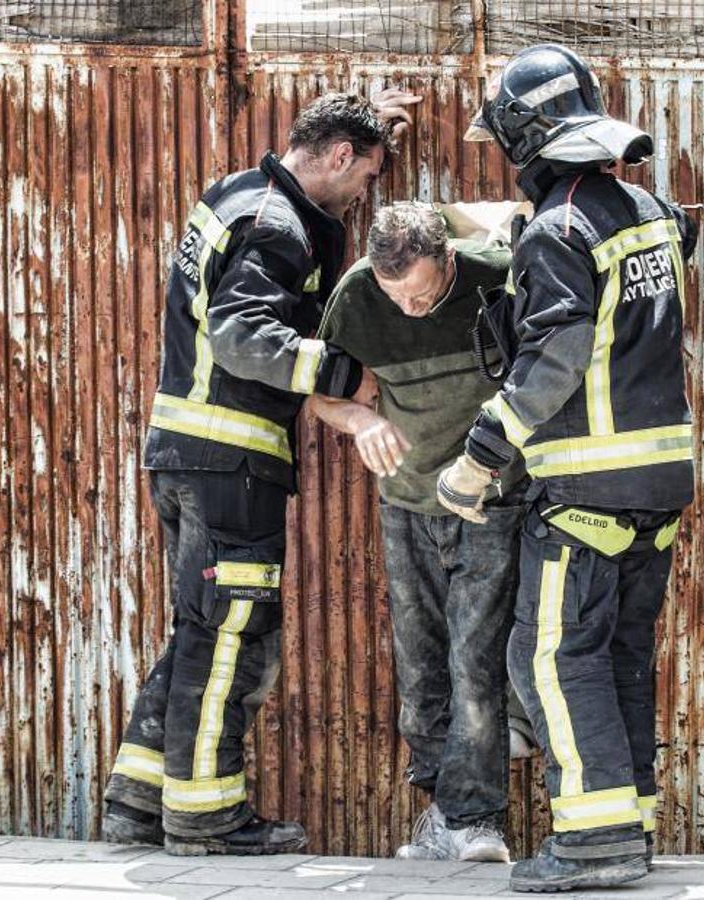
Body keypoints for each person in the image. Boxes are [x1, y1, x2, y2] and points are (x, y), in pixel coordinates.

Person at [102, 88, 421, 857]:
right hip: (230, 462)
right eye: (365, 177)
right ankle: (207, 818)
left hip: (184, 452)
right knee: (234, 640)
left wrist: (371, 124)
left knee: (200, 631)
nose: (363, 196)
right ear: (340, 156)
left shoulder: (238, 193)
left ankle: (138, 803)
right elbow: (244, 335)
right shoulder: (279, 227)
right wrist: (344, 373)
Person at [437, 43, 698, 892]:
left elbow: (556, 352)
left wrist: (478, 460)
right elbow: (645, 248)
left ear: (524, 139)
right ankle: (631, 826)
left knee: (548, 659)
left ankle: (591, 843)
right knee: (616, 655)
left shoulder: (558, 230)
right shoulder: (649, 212)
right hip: (658, 482)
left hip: (588, 482)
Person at [310, 201, 528, 863]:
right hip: (405, 503)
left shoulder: (495, 275)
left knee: (473, 659)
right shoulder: (355, 297)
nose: (408, 307)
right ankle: (446, 813)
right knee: (421, 669)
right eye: (394, 293)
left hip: (489, 500)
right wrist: (359, 421)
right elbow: (320, 394)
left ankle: (475, 821)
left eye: (423, 292)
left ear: (451, 263)